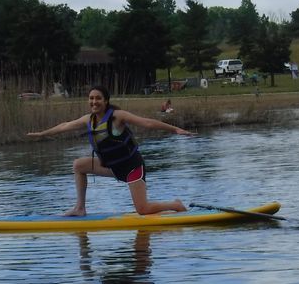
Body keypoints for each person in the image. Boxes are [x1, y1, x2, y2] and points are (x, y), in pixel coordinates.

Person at [27, 86, 195, 216]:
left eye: (98, 98)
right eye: (91, 99)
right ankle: (79, 208)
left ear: (106, 101)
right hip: (112, 167)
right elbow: (65, 126)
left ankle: (175, 205)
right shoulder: (89, 119)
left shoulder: (117, 116)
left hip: (132, 168)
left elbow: (148, 123)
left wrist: (176, 130)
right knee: (79, 165)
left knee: (143, 209)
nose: (94, 102)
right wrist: (42, 134)